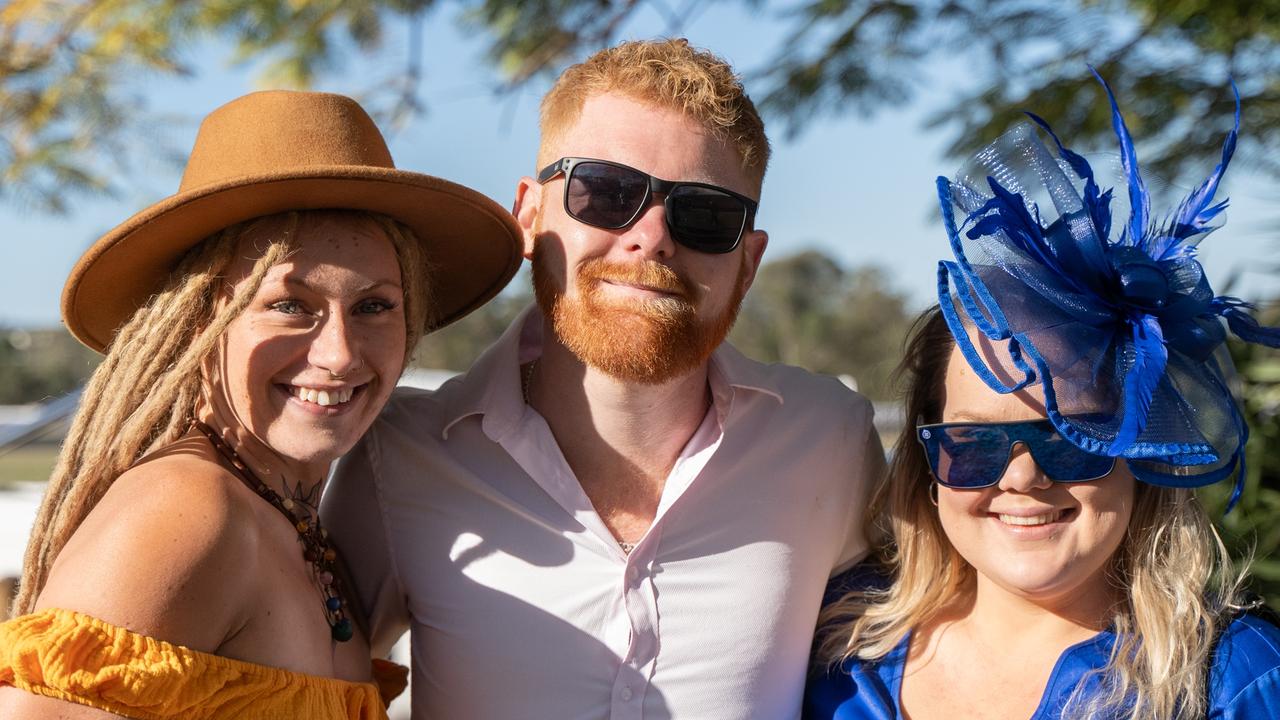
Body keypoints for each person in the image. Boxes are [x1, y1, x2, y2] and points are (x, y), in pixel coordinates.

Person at [322, 38, 884, 719]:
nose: (652, 236)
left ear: (749, 261)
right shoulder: (396, 459)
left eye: (706, 215)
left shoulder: (831, 439)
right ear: (529, 213)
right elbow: (314, 682)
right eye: (607, 192)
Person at [0, 90, 522, 719]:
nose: (338, 354)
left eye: (374, 306)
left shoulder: (296, 524)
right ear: (196, 323)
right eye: (289, 305)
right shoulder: (187, 512)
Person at [805, 73, 1280, 719]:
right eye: (973, 443)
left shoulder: (1235, 683)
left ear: (1139, 451)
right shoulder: (834, 653)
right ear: (928, 469)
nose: (1022, 476)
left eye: (1073, 437)